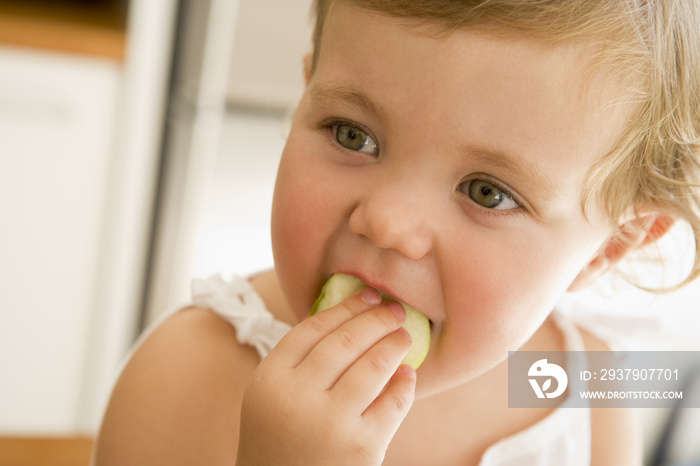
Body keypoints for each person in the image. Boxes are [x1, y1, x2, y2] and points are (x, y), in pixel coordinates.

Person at [91, 0, 700, 464]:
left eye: (488, 192)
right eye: (351, 134)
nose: (387, 223)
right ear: (303, 98)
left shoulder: (587, 386)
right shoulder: (185, 378)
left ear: (610, 248)